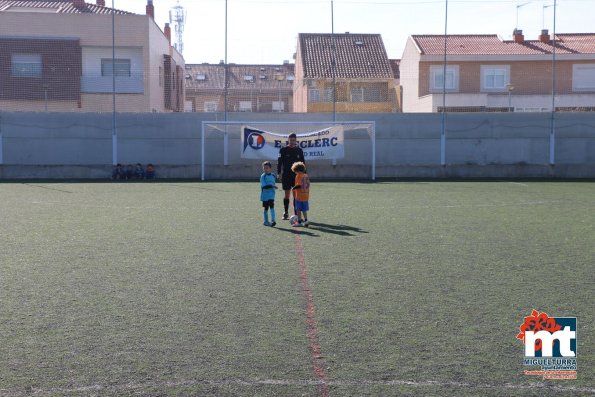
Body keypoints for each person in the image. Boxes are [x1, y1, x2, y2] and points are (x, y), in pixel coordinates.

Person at [277, 133, 305, 220]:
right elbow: (279, 163)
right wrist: (279, 173)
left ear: (296, 140)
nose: (292, 142)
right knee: (287, 194)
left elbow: (303, 163)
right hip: (286, 175)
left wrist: (304, 174)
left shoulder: (299, 150)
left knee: (296, 194)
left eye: (294, 140)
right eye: (291, 140)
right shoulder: (283, 150)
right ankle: (285, 212)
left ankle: (296, 213)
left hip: (296, 176)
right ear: (288, 140)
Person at [290, 161, 310, 227]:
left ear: (297, 170)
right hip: (306, 195)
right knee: (304, 210)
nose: (295, 172)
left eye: (295, 171)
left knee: (298, 209)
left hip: (299, 196)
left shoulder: (298, 176)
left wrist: (293, 188)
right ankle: (306, 220)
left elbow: (299, 185)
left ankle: (299, 222)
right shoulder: (306, 175)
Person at [260, 161, 277, 227]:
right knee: (266, 208)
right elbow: (264, 186)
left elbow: (273, 183)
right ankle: (266, 221)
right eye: (264, 168)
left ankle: (273, 220)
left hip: (272, 195)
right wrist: (272, 186)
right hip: (265, 196)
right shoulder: (263, 176)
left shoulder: (273, 175)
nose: (265, 169)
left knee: (272, 207)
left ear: (270, 168)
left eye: (267, 168)